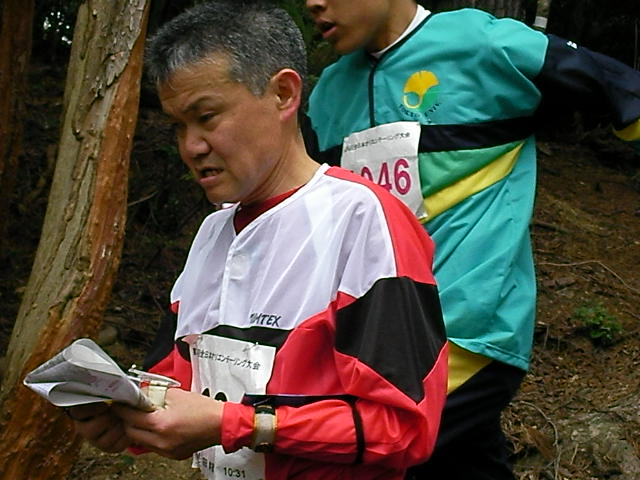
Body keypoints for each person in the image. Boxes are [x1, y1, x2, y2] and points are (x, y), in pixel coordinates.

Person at [67, 2, 449, 479]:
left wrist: (241, 424)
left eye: (207, 117)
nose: (191, 146)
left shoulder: (363, 219)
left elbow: (403, 427)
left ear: (283, 94)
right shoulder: (213, 233)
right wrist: (128, 417)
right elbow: (180, 386)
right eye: (178, 125)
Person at [303, 1, 640, 479]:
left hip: (468, 327)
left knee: (379, 456)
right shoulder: (328, 95)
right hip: (372, 333)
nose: (312, 3)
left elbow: (621, 89)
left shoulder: (485, 45)